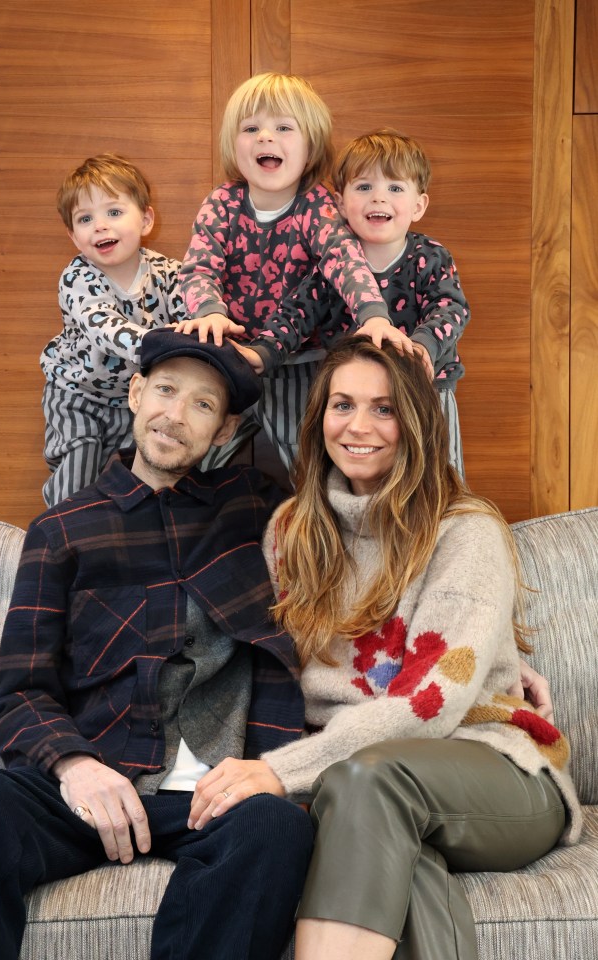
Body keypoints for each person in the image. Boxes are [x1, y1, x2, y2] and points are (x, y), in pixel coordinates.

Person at [0, 329, 314, 960]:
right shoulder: (63, 531)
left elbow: (370, 545)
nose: (175, 415)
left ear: (223, 432)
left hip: (217, 795)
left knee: (275, 828)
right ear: (136, 393)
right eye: (165, 390)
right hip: (97, 779)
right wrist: (76, 767)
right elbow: (18, 694)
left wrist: (489, 663)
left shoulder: (258, 511)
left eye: (202, 404)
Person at [250, 336, 580, 959]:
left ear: (416, 423)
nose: (359, 426)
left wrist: (279, 771)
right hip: (356, 781)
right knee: (391, 849)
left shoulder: (464, 531)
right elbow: (265, 666)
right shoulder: (289, 532)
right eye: (342, 404)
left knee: (370, 782)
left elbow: (432, 700)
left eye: (384, 408)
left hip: (497, 769)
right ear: (318, 416)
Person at [175, 73, 412, 471]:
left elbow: (344, 259)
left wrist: (373, 314)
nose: (266, 137)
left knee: (306, 460)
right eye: (251, 128)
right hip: (231, 356)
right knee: (197, 454)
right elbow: (199, 266)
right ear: (235, 145)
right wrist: (209, 311)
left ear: (310, 147)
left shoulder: (314, 205)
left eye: (284, 127)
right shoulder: (222, 202)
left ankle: (320, 524)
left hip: (299, 362)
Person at [275, 129, 471, 477]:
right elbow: (297, 313)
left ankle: (443, 526)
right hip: (356, 401)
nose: (378, 198)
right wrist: (264, 351)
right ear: (339, 204)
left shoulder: (430, 257)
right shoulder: (334, 264)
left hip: (427, 389)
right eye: (364, 187)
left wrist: (423, 347)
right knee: (344, 476)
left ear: (418, 205)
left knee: (439, 474)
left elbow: (451, 309)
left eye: (395, 188)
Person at [40, 153, 185, 506]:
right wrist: (159, 342)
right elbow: (105, 327)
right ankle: (54, 540)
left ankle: (123, 545)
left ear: (146, 219)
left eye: (114, 212)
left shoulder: (169, 273)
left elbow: (189, 321)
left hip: (133, 401)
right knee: (78, 467)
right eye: (85, 219)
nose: (100, 226)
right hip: (77, 395)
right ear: (74, 236)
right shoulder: (77, 278)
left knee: (138, 481)